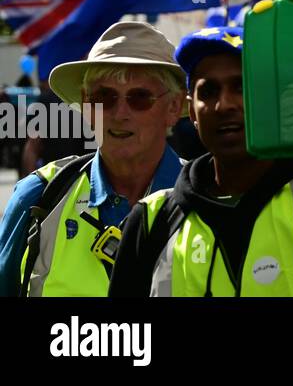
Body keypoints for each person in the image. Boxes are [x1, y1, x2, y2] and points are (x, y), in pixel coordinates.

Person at [109, 24, 293, 297]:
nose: (225, 104)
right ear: (191, 111)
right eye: (209, 91)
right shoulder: (151, 222)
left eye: (242, 87)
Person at [0, 22, 185, 297]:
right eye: (104, 97)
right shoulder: (39, 197)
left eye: (139, 98)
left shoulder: (212, 197)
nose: (120, 112)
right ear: (87, 105)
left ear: (173, 108)